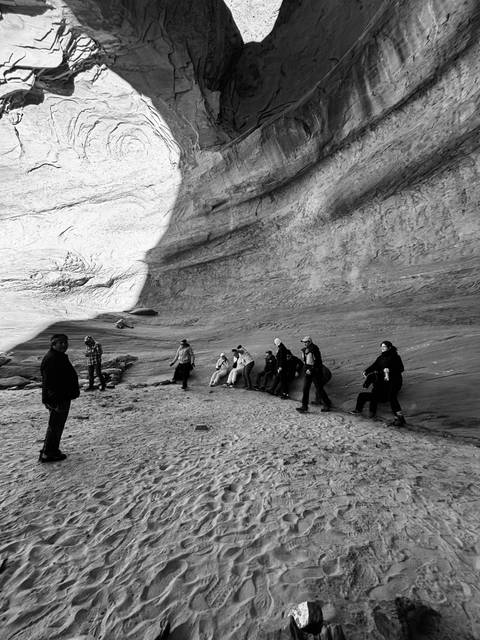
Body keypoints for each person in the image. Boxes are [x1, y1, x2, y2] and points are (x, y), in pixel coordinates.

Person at [39, 333, 80, 463]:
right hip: (58, 398)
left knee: (56, 425)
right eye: (60, 343)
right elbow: (49, 382)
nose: (64, 345)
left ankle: (50, 450)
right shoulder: (52, 358)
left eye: (65, 342)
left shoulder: (57, 356)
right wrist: (52, 400)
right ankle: (49, 453)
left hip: (60, 397)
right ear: (53, 344)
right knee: (55, 425)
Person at [360, 340, 405, 425]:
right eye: (381, 347)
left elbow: (401, 369)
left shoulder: (395, 357)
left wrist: (390, 370)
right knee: (379, 393)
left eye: (384, 347)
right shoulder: (381, 358)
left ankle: (400, 418)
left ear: (389, 347)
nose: (382, 348)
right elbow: (374, 366)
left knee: (392, 397)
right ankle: (398, 418)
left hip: (395, 381)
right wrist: (366, 371)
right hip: (386, 382)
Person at [296, 336, 332, 413]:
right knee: (306, 388)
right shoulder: (306, 350)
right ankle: (304, 406)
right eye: (304, 342)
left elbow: (318, 362)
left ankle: (327, 404)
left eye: (306, 342)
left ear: (309, 342)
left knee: (319, 389)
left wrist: (311, 369)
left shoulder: (314, 349)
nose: (304, 343)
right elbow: (306, 362)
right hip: (309, 371)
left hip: (315, 372)